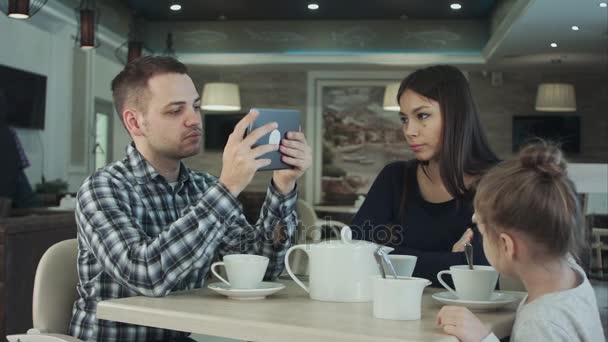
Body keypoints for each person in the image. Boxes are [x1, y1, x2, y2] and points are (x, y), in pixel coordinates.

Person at [69, 56, 312, 341]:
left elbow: (263, 270)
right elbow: (146, 276)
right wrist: (228, 186)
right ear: (135, 122)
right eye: (175, 111)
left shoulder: (204, 187)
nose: (194, 120)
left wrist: (283, 186)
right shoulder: (103, 187)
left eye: (196, 107)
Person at [437, 142, 604, 342]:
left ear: (507, 246)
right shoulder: (571, 274)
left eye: (482, 232)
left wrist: (482, 338)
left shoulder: (540, 324)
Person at [350, 65, 499, 283]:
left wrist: (393, 254)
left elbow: (480, 271)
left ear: (457, 115)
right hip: (392, 312)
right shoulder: (395, 177)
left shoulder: (499, 182)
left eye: (422, 115)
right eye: (405, 119)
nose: (410, 131)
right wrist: (452, 259)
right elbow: (356, 252)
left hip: (470, 316)